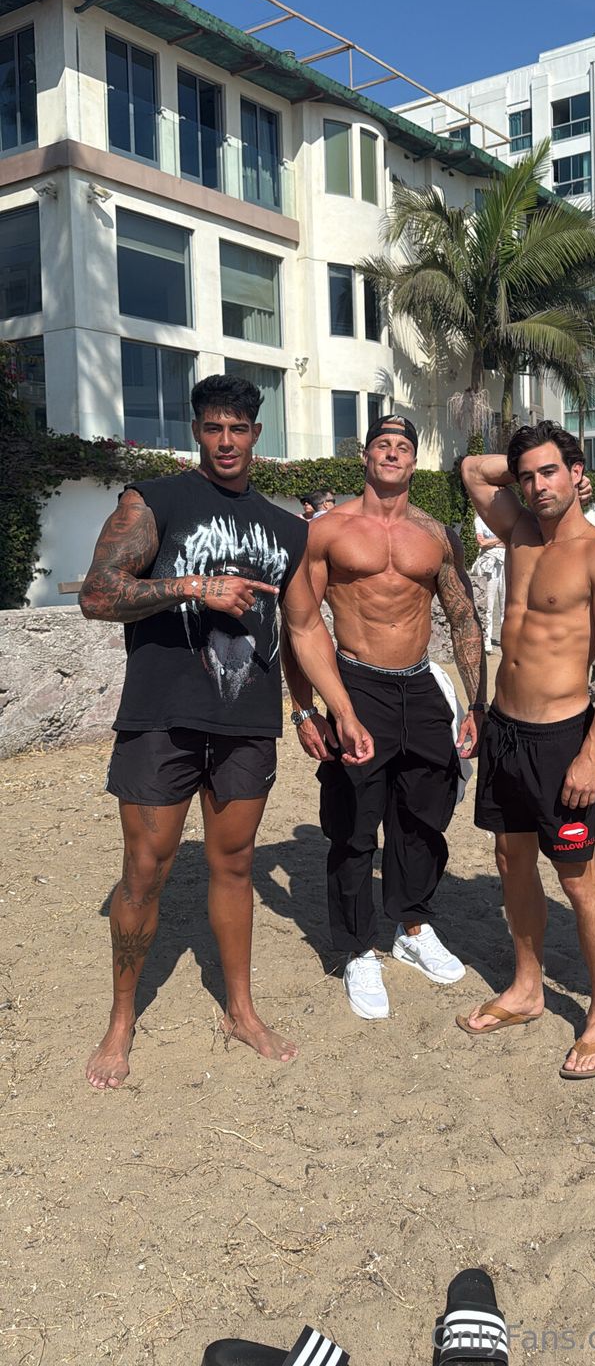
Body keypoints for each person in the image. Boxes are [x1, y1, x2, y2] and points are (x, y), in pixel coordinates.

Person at [78, 374, 373, 1089]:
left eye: (238, 428)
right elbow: (96, 593)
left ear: (256, 435)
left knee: (234, 865)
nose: (226, 441)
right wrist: (192, 586)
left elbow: (306, 627)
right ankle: (121, 1020)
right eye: (213, 428)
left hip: (245, 723)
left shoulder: (287, 528)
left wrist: (338, 707)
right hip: (161, 716)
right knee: (145, 869)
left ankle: (240, 1010)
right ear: (197, 432)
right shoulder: (154, 500)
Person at [282, 414, 485, 1020]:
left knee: (424, 814)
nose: (392, 453)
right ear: (365, 457)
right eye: (382, 444)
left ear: (414, 461)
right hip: (357, 681)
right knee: (353, 823)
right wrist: (306, 711)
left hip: (419, 685)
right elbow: (299, 624)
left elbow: (464, 617)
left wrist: (476, 702)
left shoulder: (437, 534)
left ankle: (412, 927)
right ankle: (357, 948)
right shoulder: (327, 530)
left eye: (403, 446)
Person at [457, 422, 595, 1077]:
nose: (538, 486)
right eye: (528, 476)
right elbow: (471, 469)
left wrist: (592, 755)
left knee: (577, 878)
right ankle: (527, 987)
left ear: (577, 473)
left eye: (551, 472)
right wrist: (525, 466)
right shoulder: (518, 533)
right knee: (511, 860)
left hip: (562, 739)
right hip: (505, 730)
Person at [471, 513, 506, 653]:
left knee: (505, 604)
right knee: (488, 604)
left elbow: (508, 540)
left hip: (505, 561)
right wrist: (500, 539)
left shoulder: (503, 518)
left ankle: (505, 638)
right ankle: (487, 639)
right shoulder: (479, 520)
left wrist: (490, 542)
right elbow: (482, 543)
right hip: (489, 564)